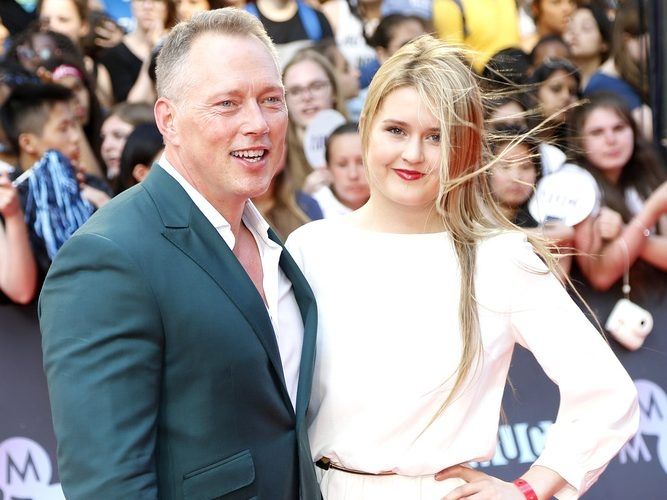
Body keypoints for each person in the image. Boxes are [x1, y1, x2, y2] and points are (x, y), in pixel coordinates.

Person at [285, 35, 638, 499]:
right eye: (396, 130)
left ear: (465, 147)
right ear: (367, 126)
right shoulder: (311, 247)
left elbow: (607, 393)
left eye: (437, 136)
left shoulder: (500, 256)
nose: (414, 154)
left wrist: (526, 491)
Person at [39, 9, 319, 499]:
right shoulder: (108, 258)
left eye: (271, 100)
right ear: (167, 119)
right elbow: (108, 486)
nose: (257, 123)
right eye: (227, 103)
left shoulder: (271, 238)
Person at [570, 92, 667, 292]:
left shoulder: (647, 171)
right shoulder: (573, 181)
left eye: (619, 128)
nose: (611, 139)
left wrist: (625, 231)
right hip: (602, 313)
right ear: (580, 142)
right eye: (597, 132)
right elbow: (601, 275)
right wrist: (650, 211)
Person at [311, 121, 369, 218]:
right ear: (328, 168)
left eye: (361, 163)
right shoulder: (309, 211)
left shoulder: (394, 207)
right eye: (342, 165)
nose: (353, 175)